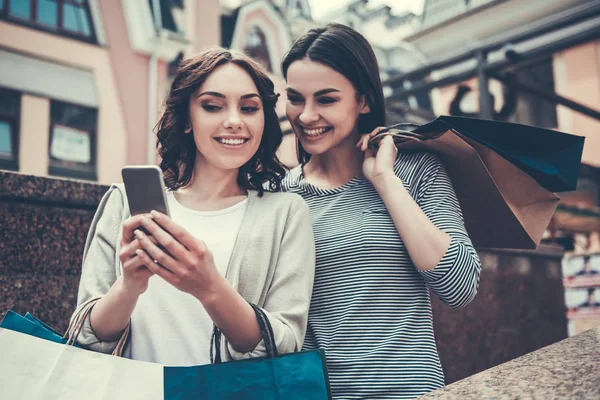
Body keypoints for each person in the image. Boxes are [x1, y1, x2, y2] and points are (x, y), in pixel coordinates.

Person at [70, 48, 315, 365]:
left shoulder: (286, 213)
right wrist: (129, 286)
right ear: (187, 119)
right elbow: (85, 335)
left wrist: (210, 287)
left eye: (249, 108)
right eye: (213, 106)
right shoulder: (124, 203)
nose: (233, 121)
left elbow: (285, 344)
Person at [280, 23, 482, 399]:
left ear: (365, 101)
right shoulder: (280, 195)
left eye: (326, 99)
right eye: (295, 98)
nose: (306, 116)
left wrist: (386, 181)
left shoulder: (416, 170)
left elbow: (459, 286)